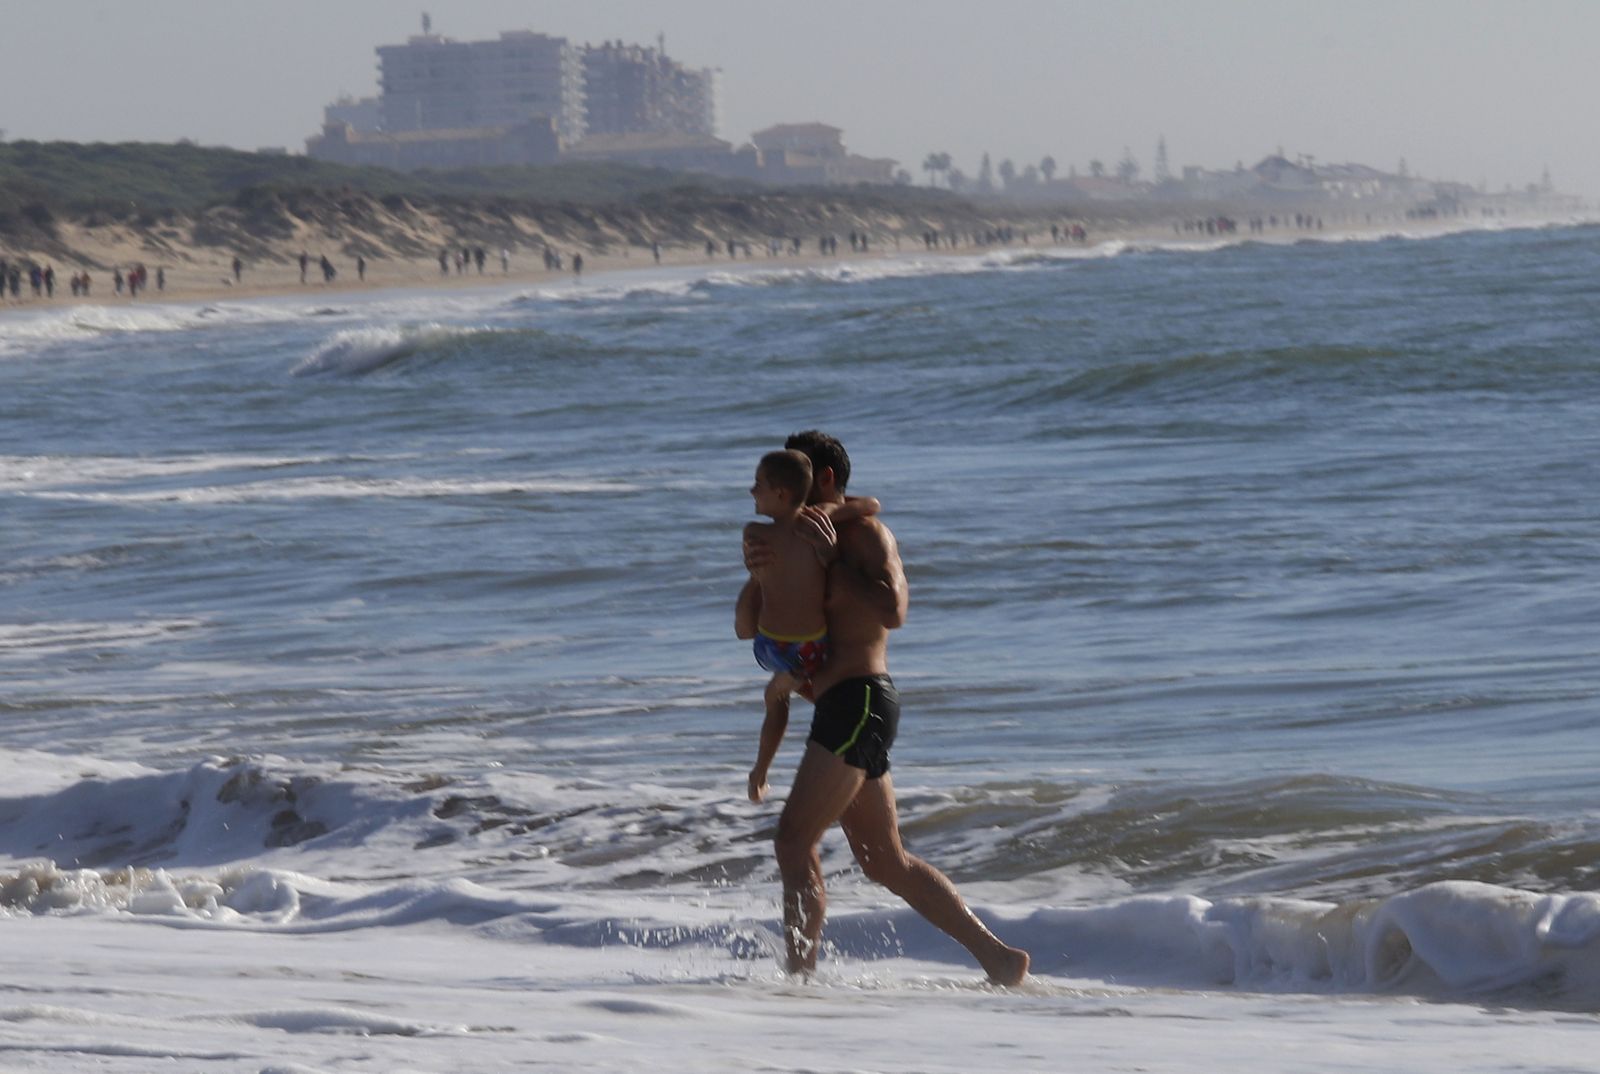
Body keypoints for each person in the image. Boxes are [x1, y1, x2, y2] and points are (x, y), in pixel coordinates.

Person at [736, 431, 1030, 986]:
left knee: (793, 840)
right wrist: (758, 572)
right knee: (884, 861)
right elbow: (749, 626)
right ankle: (1000, 959)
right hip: (837, 709)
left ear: (822, 481)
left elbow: (894, 610)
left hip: (861, 698)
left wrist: (833, 561)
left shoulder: (866, 534)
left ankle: (798, 980)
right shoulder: (791, 540)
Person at [741, 450, 877, 806]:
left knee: (776, 698)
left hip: (773, 647)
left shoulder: (754, 532)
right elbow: (871, 504)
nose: (751, 491)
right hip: (809, 649)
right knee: (788, 697)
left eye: (758, 485)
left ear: (781, 494)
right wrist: (832, 510)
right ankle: (845, 761)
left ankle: (761, 773)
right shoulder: (817, 520)